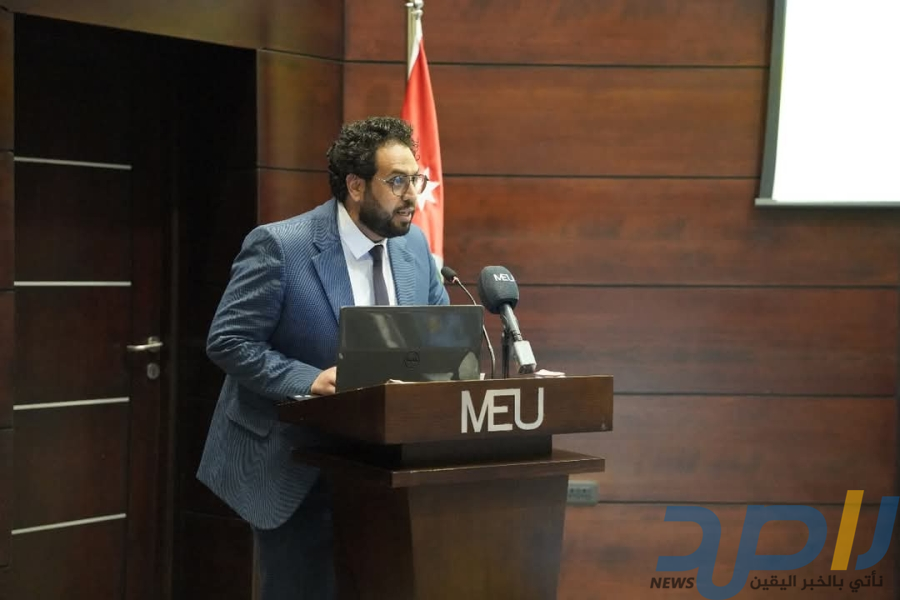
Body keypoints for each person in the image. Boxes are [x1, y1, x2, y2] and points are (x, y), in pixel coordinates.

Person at [197, 116, 449, 599]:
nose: (412, 197)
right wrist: (309, 380)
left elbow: (439, 336)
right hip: (296, 463)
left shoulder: (415, 246)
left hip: (386, 470)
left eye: (416, 180)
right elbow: (229, 341)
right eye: (397, 182)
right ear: (355, 185)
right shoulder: (281, 246)